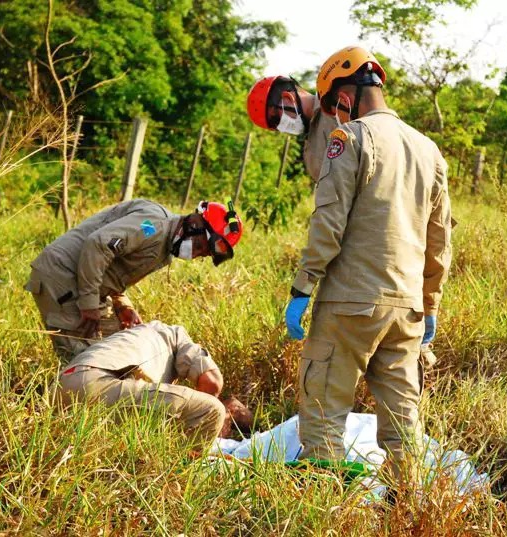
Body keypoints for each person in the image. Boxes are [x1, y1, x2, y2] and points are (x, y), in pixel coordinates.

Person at [283, 46, 453, 484]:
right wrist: (429, 305)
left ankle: (323, 511)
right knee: (404, 426)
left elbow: (328, 222)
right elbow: (440, 241)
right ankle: (406, 505)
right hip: (408, 310)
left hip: (350, 304)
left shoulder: (350, 139)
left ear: (343, 94)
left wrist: (303, 288)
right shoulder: (429, 150)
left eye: (333, 106)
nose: (334, 117)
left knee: (322, 412)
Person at [26, 199, 242, 360]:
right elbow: (99, 244)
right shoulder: (153, 226)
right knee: (90, 362)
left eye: (203, 254)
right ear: (194, 224)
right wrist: (89, 303)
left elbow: (112, 266)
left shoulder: (164, 246)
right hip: (61, 277)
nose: (197, 255)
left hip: (82, 282)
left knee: (120, 348)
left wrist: (122, 305)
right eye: (200, 247)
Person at [58, 320, 227, 445]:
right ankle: (183, 477)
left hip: (59, 389)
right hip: (98, 383)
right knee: (212, 410)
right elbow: (212, 383)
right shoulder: (177, 336)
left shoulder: (134, 336)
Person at [246, 75, 337, 182]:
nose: (281, 128)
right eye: (275, 127)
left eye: (276, 120)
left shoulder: (339, 97)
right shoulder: (311, 154)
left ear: (288, 97)